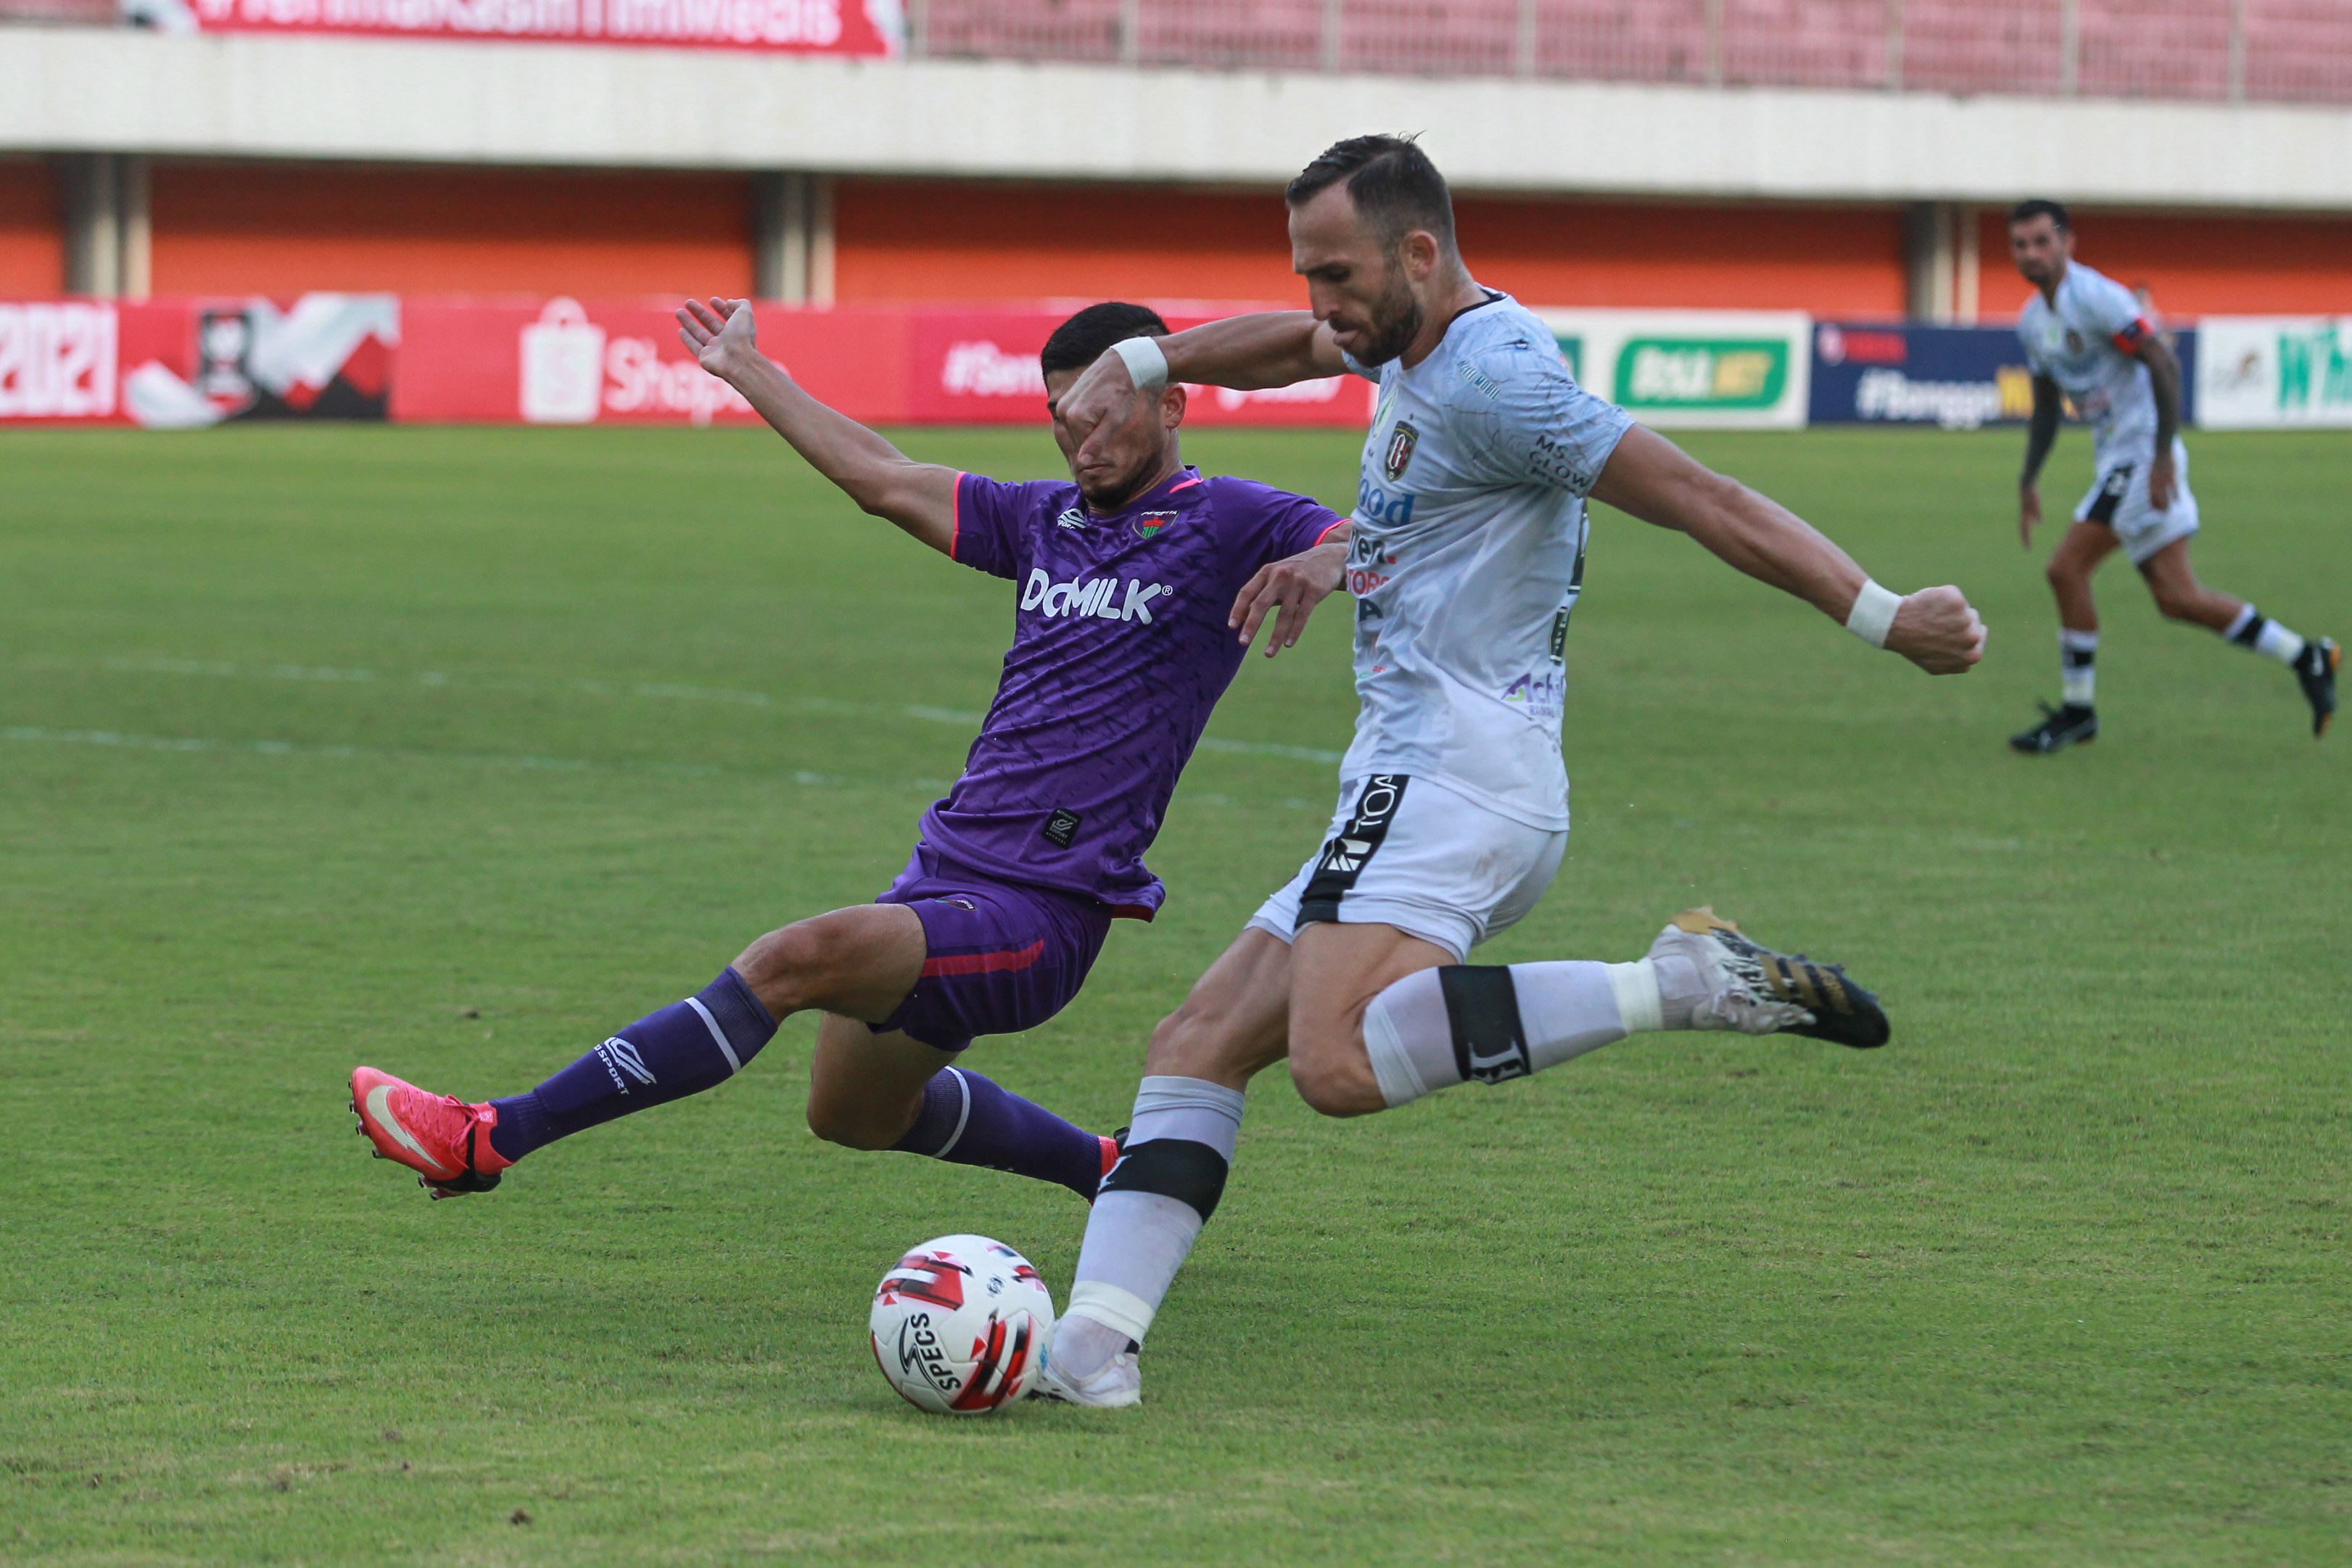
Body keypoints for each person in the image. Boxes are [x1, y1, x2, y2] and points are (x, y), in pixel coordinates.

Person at [1027, 136, 1989, 1407]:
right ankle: (1090, 1351)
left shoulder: (1496, 381)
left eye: (1335, 273)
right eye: (1306, 271)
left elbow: (1699, 494)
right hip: (1417, 775)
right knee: (1196, 1042)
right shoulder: (1407, 339)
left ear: (1418, 252)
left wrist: (1881, 612)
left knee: (1334, 1062)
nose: (1319, 302)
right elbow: (1291, 352)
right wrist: (1155, 364)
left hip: (1454, 774)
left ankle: (1677, 982)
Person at [350, 300, 1350, 1205]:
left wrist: (1325, 557)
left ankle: (487, 1136)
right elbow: (881, 477)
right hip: (943, 870)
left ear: (1171, 402)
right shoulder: (1040, 521)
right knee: (852, 1112)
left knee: (792, 958)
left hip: (1045, 907)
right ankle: (1106, 1168)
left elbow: (1374, 537)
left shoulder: (1229, 519)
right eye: (1060, 414)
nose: (1078, 437)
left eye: (1101, 411)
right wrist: (748, 369)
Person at [2007, 199, 2337, 753]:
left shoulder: (2096, 298)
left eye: (2042, 241)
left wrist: (2160, 457)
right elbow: (2044, 407)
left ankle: (2077, 712)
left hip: (2141, 457)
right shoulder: (2031, 322)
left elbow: (2161, 361)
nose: (2031, 254)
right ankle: (2306, 655)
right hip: (2118, 458)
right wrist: (2027, 480)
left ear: (2067, 243)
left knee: (2065, 570)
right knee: (2178, 598)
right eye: (2020, 245)